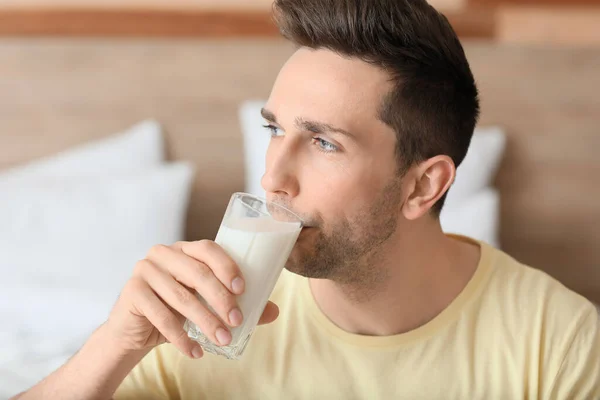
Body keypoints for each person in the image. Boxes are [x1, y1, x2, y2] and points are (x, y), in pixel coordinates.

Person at [14, 0, 600, 399]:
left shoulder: (557, 347)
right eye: (275, 130)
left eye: (323, 142)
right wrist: (110, 348)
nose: (273, 178)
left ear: (423, 185)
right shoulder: (209, 317)